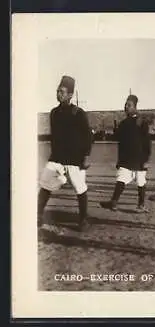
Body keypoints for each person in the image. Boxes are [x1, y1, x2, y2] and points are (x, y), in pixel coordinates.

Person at [38, 75, 92, 232]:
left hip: (75, 160)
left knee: (80, 188)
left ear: (70, 94)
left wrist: (86, 155)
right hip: (57, 158)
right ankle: (37, 215)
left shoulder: (78, 113)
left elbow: (88, 135)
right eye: (57, 91)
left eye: (62, 91)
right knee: (45, 184)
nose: (59, 94)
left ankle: (83, 219)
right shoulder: (54, 113)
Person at [100, 94, 152, 213]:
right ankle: (113, 202)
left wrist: (146, 159)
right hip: (126, 159)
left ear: (135, 107)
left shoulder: (141, 122)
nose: (126, 107)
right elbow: (119, 141)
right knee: (121, 179)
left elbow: (147, 142)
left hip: (139, 159)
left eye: (129, 105)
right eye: (125, 105)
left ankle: (141, 205)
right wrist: (114, 131)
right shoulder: (123, 123)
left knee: (141, 182)